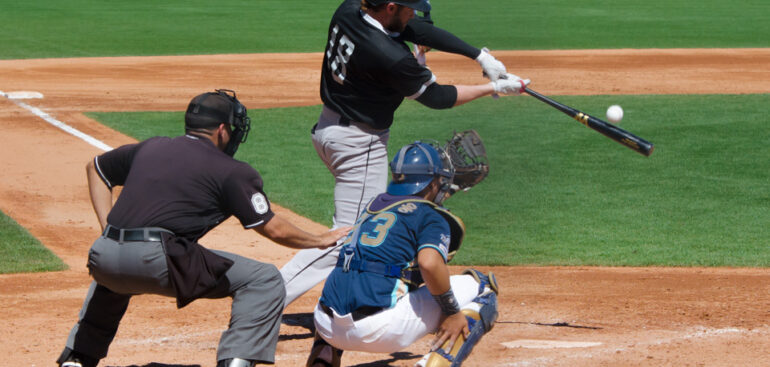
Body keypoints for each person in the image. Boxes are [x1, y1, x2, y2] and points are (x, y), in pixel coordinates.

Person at [56, 90, 351, 367]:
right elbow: (273, 229)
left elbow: (95, 168)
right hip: (157, 261)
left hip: (103, 255)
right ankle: (238, 361)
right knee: (264, 280)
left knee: (113, 279)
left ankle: (77, 358)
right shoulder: (231, 171)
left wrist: (108, 228)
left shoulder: (151, 146)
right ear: (222, 130)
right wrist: (318, 239)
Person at [280, 0, 529, 307]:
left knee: (363, 227)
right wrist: (492, 88)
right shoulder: (390, 56)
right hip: (358, 144)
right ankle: (268, 296)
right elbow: (437, 97)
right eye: (408, 8)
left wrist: (478, 54)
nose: (414, 14)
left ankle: (368, 292)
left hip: (328, 130)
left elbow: (416, 29)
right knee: (351, 233)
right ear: (390, 7)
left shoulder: (349, 10)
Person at [305, 140, 499, 367]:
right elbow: (428, 263)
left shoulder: (374, 205)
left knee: (348, 280)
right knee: (483, 286)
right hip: (378, 331)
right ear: (432, 183)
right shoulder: (430, 216)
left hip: (325, 325)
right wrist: (452, 312)